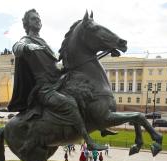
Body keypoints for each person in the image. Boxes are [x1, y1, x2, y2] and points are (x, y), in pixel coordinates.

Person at [7, 9, 105, 151]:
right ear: (27, 24)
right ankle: (89, 141)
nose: (38, 21)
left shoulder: (44, 42)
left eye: (39, 18)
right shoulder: (26, 41)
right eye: (34, 19)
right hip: (45, 90)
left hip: (57, 83)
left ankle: (100, 125)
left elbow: (53, 69)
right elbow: (16, 48)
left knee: (84, 93)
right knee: (70, 103)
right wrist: (27, 47)